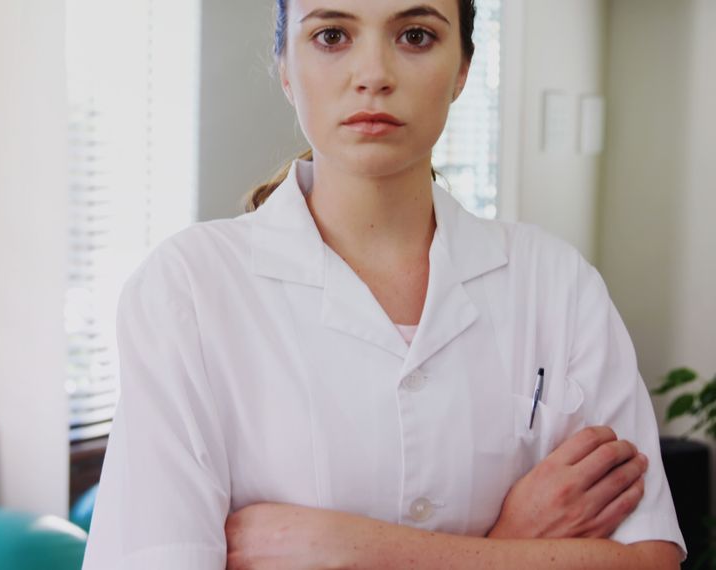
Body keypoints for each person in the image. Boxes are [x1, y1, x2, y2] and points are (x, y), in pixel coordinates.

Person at [81, 0, 687, 567]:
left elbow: (650, 557)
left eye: (416, 36)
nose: (373, 74)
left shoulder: (557, 283)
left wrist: (345, 547)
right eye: (332, 36)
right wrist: (514, 545)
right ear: (286, 69)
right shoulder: (188, 288)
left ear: (462, 71)